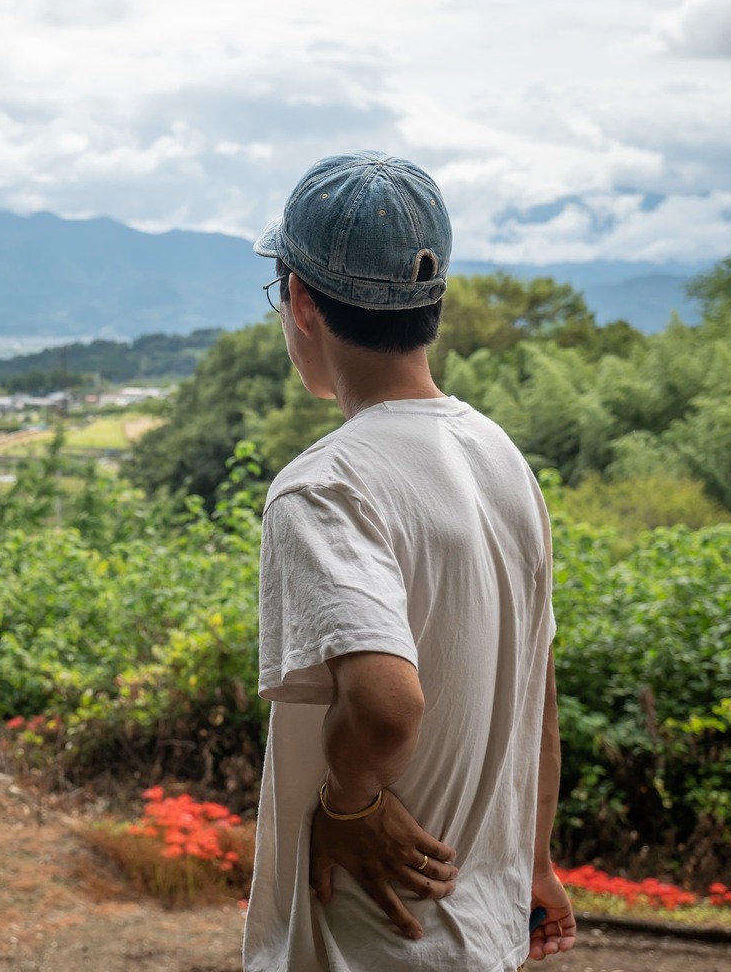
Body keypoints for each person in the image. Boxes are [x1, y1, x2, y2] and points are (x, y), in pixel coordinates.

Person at [241, 151, 578, 971]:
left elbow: (388, 706)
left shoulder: (323, 487)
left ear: (299, 301)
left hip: (378, 944)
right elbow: (537, 689)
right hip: (484, 933)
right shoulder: (498, 455)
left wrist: (348, 804)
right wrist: (533, 862)